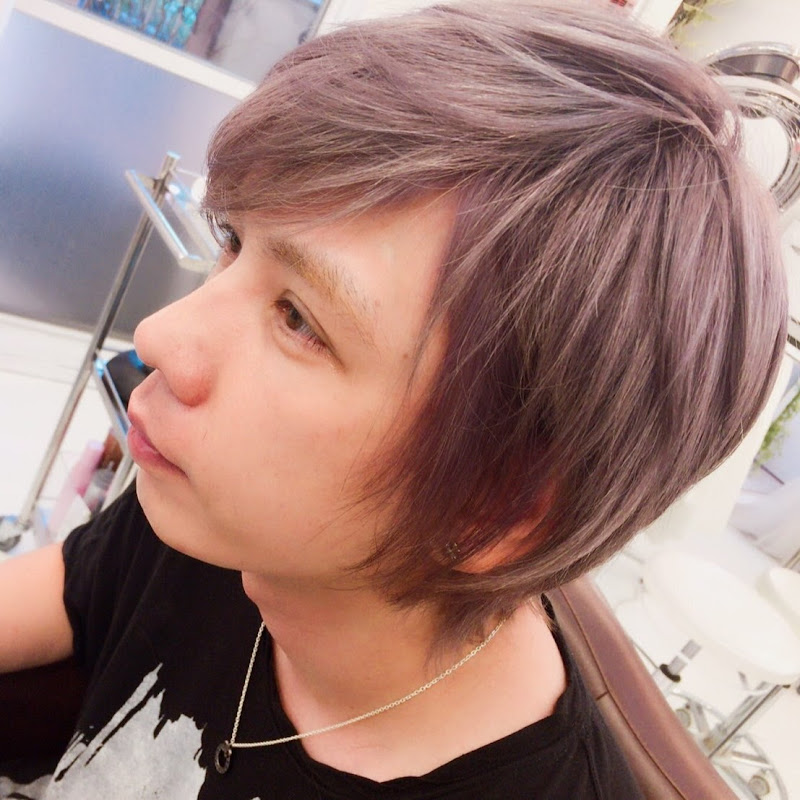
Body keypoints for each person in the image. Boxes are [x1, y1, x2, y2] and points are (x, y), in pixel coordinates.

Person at [0, 0, 788, 797]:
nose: (160, 335)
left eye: (299, 320)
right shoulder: (216, 514)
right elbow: (66, 594)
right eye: (232, 241)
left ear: (493, 506)